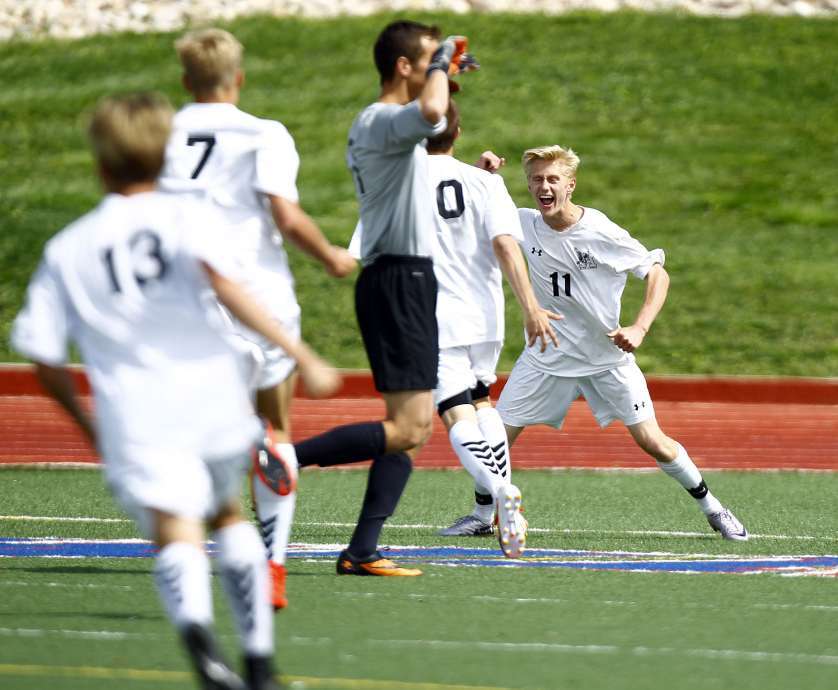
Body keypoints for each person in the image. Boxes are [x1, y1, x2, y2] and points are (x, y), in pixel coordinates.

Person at [10, 92, 340, 690]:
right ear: (165, 156)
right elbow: (233, 290)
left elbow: (44, 357)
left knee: (176, 532)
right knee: (228, 518)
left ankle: (202, 649)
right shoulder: (191, 220)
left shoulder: (70, 247)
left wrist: (88, 428)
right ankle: (260, 664)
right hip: (211, 397)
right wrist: (301, 354)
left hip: (138, 414)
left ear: (100, 164)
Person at [158, 28, 357, 609]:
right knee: (277, 431)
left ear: (185, 82)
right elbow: (286, 216)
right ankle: (272, 565)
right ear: (237, 79)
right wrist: (332, 257)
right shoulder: (264, 133)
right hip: (261, 297)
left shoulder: (162, 133)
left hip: (189, 301)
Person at [290, 21, 477, 576]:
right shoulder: (383, 120)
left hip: (404, 279)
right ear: (403, 67)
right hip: (398, 280)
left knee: (413, 428)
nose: (435, 66)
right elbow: (431, 114)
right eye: (425, 58)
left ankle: (362, 550)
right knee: (406, 429)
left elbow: (437, 118)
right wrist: (441, 67)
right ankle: (281, 459)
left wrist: (442, 70)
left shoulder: (386, 125)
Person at [496, 144, 748, 540]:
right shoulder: (523, 223)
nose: (544, 187)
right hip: (547, 354)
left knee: (653, 441)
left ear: (571, 185)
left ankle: (713, 508)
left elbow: (657, 274)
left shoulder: (600, 231)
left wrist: (639, 327)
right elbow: (478, 207)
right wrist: (482, 171)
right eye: (536, 180)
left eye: (552, 179)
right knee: (495, 437)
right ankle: (481, 516)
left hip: (605, 358)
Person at [349, 101, 561, 557]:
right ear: (458, 133)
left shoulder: (397, 179)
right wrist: (531, 307)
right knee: (482, 399)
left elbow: (363, 250)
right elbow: (506, 245)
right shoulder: (486, 181)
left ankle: (500, 493)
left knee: (453, 410)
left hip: (428, 311)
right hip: (485, 314)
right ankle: (501, 490)